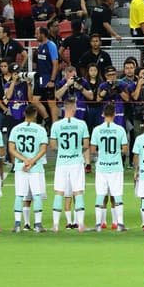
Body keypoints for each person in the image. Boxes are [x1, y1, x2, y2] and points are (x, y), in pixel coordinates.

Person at [50, 97, 90, 231]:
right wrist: (77, 151)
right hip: (76, 162)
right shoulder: (81, 124)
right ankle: (81, 224)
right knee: (78, 192)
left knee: (59, 192)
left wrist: (63, 152)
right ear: (74, 108)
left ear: (64, 108)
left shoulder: (56, 125)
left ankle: (55, 225)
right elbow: (86, 145)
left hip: (62, 162)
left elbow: (53, 146)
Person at [90, 103, 130, 231]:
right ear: (114, 114)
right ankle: (120, 224)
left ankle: (98, 225)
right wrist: (116, 152)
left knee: (100, 195)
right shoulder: (120, 129)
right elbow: (125, 149)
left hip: (102, 167)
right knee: (117, 195)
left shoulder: (97, 130)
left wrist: (102, 152)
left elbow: (92, 149)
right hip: (116, 167)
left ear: (103, 114)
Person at [8, 107, 49, 233]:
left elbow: (11, 148)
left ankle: (17, 224)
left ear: (24, 114)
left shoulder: (16, 129)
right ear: (36, 114)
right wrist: (31, 160)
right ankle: (38, 224)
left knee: (19, 195)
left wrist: (24, 159)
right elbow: (43, 149)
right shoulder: (40, 129)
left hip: (21, 166)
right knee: (37, 195)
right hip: (35, 166)